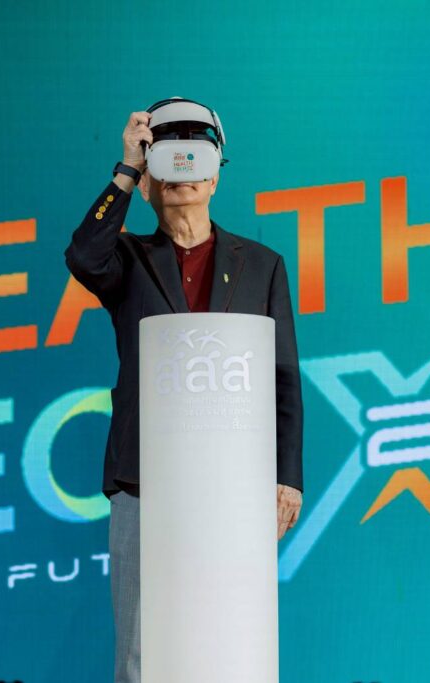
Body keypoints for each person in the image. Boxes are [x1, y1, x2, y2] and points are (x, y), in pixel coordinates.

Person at [65, 99, 304, 683]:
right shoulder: (127, 258)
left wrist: (287, 476)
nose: (183, 171)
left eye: (196, 158)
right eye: (167, 161)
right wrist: (127, 166)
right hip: (144, 477)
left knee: (229, 637)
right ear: (149, 184)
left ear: (216, 175)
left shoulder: (262, 264)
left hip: (234, 481)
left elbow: (283, 377)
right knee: (141, 648)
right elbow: (83, 256)